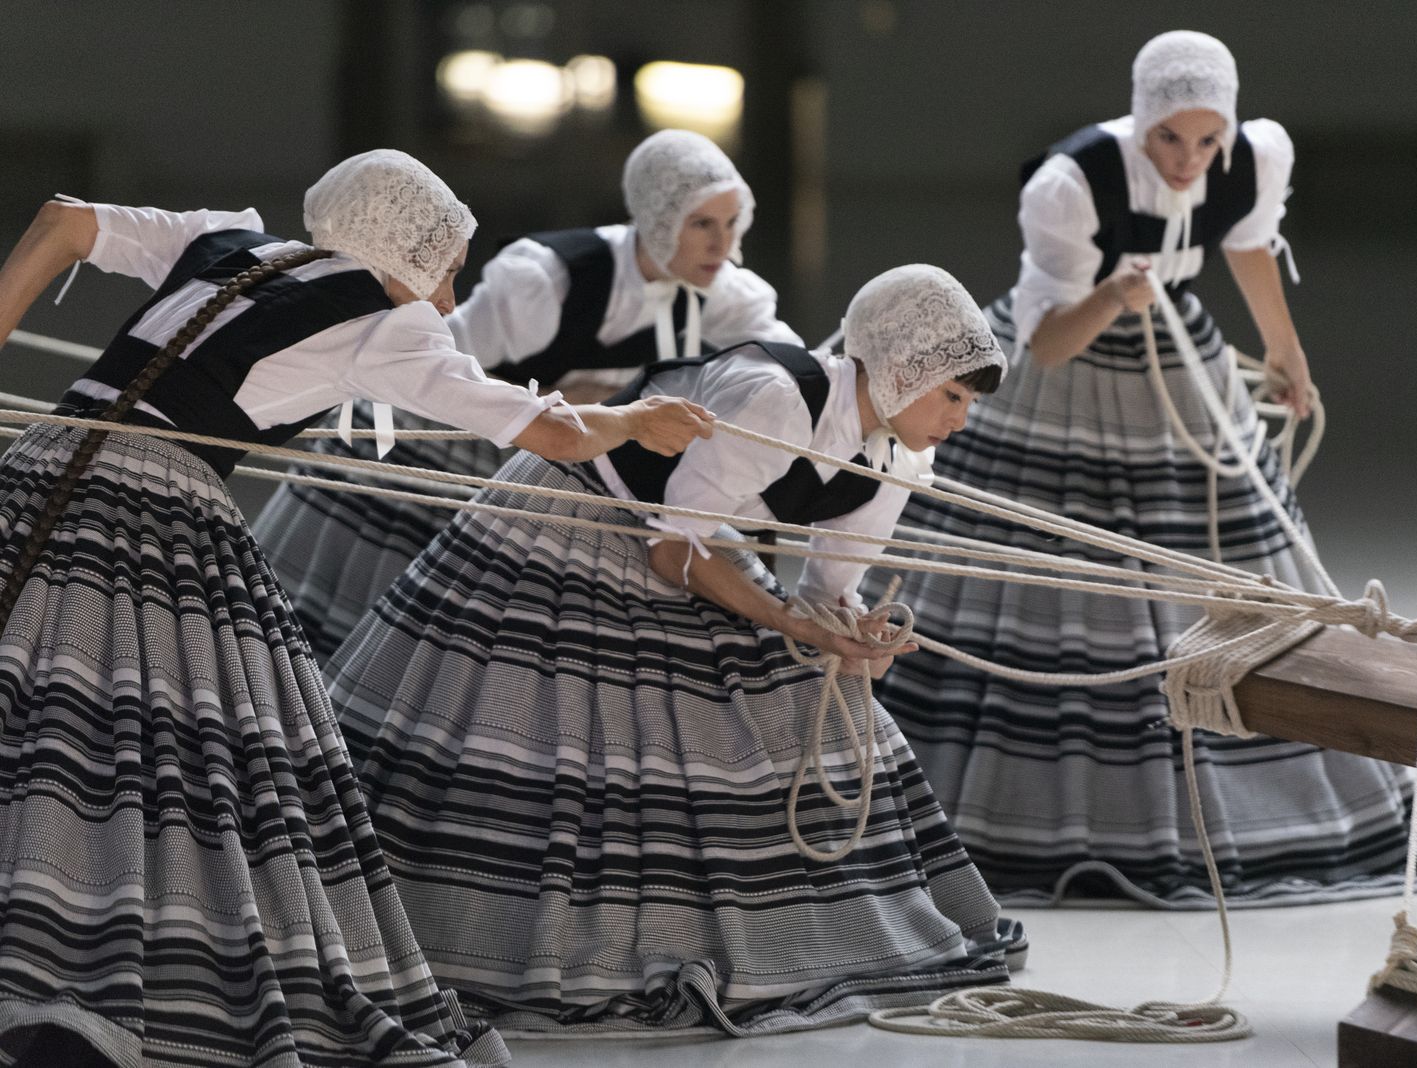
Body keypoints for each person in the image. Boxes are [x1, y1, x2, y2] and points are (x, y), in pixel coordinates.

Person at [0, 149, 710, 1067]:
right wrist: (636, 421)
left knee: (39, 706)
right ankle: (98, 968)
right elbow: (549, 432)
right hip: (155, 510)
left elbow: (61, 218)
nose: (452, 301)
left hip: (43, 463)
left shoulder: (230, 242)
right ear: (406, 256)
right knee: (185, 753)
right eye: (448, 270)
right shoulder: (391, 322)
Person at [322, 264, 1018, 1036]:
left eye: (970, 402)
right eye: (952, 394)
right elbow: (671, 553)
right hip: (583, 512)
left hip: (686, 535)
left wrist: (856, 644)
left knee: (785, 710)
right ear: (900, 365)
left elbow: (828, 592)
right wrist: (797, 626)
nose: (960, 418)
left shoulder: (900, 458)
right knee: (569, 732)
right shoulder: (779, 396)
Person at [866, 31, 1417, 907]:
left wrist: (1284, 348)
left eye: (1207, 140)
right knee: (1065, 580)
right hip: (1067, 377)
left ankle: (1237, 785)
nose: (1190, 160)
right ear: (1141, 122)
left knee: (1224, 551)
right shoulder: (1072, 186)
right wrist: (1114, 292)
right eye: (1169, 139)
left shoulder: (1252, 159)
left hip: (1178, 360)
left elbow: (1248, 245)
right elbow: (1047, 343)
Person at [253, 129, 800, 661]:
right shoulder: (551, 278)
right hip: (466, 451)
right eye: (702, 223)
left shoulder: (732, 299)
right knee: (392, 618)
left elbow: (788, 376)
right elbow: (433, 362)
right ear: (660, 217)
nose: (722, 244)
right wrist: (587, 398)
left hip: (583, 477)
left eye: (732, 222)